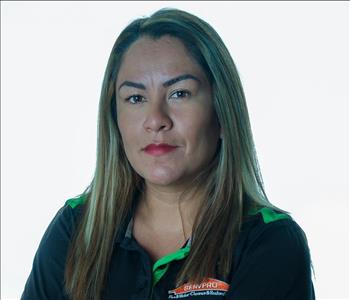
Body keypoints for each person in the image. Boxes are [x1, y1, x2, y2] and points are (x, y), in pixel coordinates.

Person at [21, 7, 315, 300]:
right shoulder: (76, 227)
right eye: (135, 98)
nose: (156, 119)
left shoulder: (270, 242)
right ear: (115, 119)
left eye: (179, 94)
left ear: (223, 112)